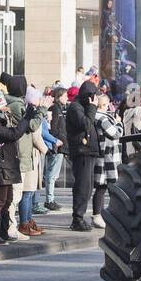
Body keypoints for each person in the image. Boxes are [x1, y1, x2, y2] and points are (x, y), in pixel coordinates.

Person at [0, 88, 46, 245]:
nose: (7, 108)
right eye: (4, 106)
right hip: (0, 166)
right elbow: (13, 134)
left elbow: (14, 132)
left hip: (7, 165)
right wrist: (27, 118)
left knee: (8, 200)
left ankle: (2, 232)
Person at [64, 80, 101, 231]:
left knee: (88, 187)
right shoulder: (75, 107)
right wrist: (92, 108)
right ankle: (77, 219)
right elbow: (85, 124)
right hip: (82, 151)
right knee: (82, 186)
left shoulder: (84, 107)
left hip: (89, 151)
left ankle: (80, 216)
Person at [91, 92, 123, 229]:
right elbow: (115, 134)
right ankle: (108, 216)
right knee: (107, 187)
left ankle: (100, 215)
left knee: (102, 187)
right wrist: (119, 124)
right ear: (104, 104)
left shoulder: (95, 116)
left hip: (103, 155)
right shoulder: (102, 118)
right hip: (108, 157)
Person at [46, 84, 70, 211]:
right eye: (65, 96)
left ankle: (51, 199)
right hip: (57, 145)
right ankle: (49, 200)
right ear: (59, 97)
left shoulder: (59, 109)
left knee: (53, 174)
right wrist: (58, 140)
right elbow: (53, 128)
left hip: (60, 144)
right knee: (52, 174)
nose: (67, 98)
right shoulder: (55, 109)